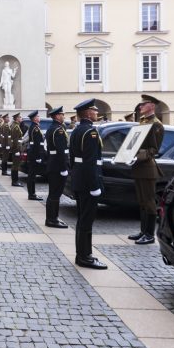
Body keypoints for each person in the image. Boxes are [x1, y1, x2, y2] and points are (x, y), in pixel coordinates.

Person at [69, 99, 107, 269]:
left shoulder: (78, 130)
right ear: (88, 113)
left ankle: (82, 254)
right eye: (94, 110)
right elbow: (91, 162)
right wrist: (94, 186)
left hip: (79, 179)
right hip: (87, 182)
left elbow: (73, 158)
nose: (97, 112)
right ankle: (85, 256)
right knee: (86, 220)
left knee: (82, 220)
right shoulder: (90, 132)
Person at [130, 95, 165, 245]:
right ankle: (143, 231)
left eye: (142, 104)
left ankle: (150, 234)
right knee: (142, 201)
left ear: (151, 105)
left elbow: (153, 150)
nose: (139, 107)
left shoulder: (156, 125)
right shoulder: (143, 121)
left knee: (149, 202)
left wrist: (136, 156)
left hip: (147, 168)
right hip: (139, 167)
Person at [44, 106, 69, 228]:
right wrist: (64, 168)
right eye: (62, 114)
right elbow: (61, 151)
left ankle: (53, 218)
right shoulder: (57, 130)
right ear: (57, 116)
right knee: (55, 193)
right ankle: (52, 219)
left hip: (53, 163)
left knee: (54, 193)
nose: (63, 116)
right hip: (57, 166)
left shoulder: (55, 128)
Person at [25, 110, 45, 201]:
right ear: (34, 118)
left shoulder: (34, 127)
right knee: (32, 175)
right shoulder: (35, 128)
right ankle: (32, 194)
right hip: (34, 154)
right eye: (38, 116)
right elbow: (35, 143)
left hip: (33, 153)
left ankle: (32, 193)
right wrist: (37, 156)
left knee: (32, 175)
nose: (39, 118)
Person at [8, 113, 24, 185]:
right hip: (16, 148)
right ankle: (15, 181)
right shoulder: (16, 127)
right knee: (16, 165)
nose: (21, 118)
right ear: (17, 118)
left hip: (16, 147)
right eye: (20, 117)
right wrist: (17, 149)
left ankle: (14, 180)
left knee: (15, 164)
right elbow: (15, 139)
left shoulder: (15, 125)